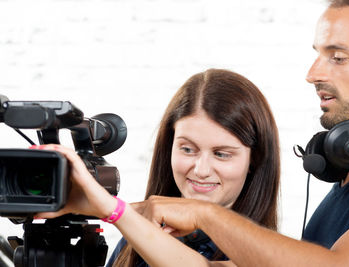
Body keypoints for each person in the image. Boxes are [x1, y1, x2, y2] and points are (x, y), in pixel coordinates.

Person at [132, 0, 349, 266]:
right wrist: (113, 212)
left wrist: (204, 215)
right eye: (318, 55)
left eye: (338, 58)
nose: (312, 74)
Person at [35, 68, 280, 266]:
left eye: (222, 154)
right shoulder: (134, 241)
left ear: (254, 160)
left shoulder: (265, 256)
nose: (201, 169)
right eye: (187, 149)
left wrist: (114, 210)